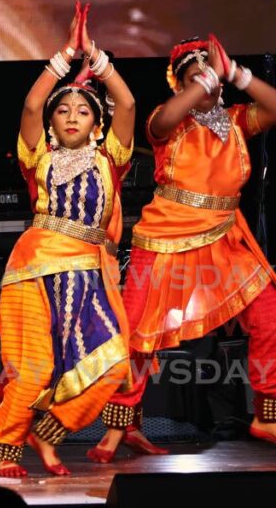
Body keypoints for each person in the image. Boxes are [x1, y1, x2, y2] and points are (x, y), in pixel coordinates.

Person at [91, 33, 276, 459]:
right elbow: (163, 118)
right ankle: (122, 425)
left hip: (226, 237)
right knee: (138, 333)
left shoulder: (236, 120)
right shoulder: (167, 122)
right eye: (192, 78)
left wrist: (239, 74)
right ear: (180, 86)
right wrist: (203, 76)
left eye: (212, 77)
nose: (205, 84)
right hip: (166, 235)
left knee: (268, 314)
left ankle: (266, 414)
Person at [0, 2, 135, 477]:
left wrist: (95, 56)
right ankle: (6, 448)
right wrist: (64, 56)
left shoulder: (111, 159)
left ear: (97, 123)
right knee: (33, 371)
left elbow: (127, 104)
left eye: (83, 110)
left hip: (88, 274)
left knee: (113, 365)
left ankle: (47, 432)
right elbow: (32, 104)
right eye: (64, 111)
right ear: (52, 123)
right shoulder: (39, 159)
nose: (72, 116)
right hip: (34, 268)